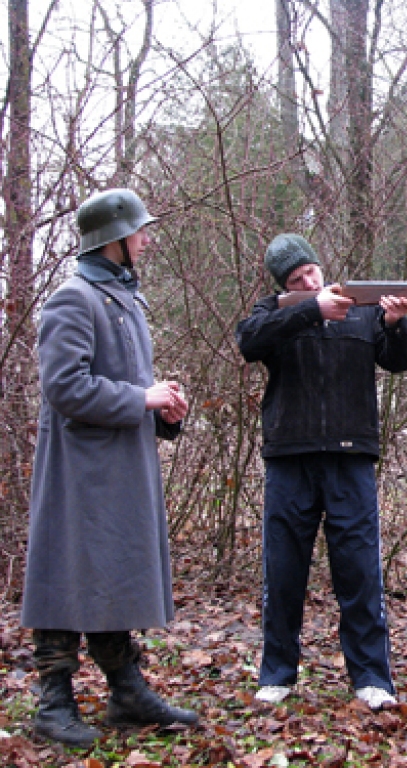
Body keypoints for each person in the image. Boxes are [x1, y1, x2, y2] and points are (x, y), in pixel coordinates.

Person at [21, 188, 198, 746]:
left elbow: (126, 384)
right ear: (113, 239)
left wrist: (163, 407)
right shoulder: (73, 299)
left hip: (120, 465)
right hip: (80, 472)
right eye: (139, 230)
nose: (147, 238)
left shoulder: (122, 298)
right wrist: (142, 397)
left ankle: (126, 691)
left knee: (109, 578)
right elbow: (65, 387)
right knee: (67, 577)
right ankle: (54, 703)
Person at [236, 234, 407, 710]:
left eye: (311, 272)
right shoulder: (273, 312)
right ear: (284, 283)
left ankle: (372, 678)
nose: (309, 281)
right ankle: (277, 674)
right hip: (290, 459)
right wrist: (309, 308)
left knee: (359, 572)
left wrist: (396, 322)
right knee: (283, 573)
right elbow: (249, 343)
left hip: (351, 458)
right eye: (296, 279)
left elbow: (401, 360)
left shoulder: (361, 308)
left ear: (321, 265)